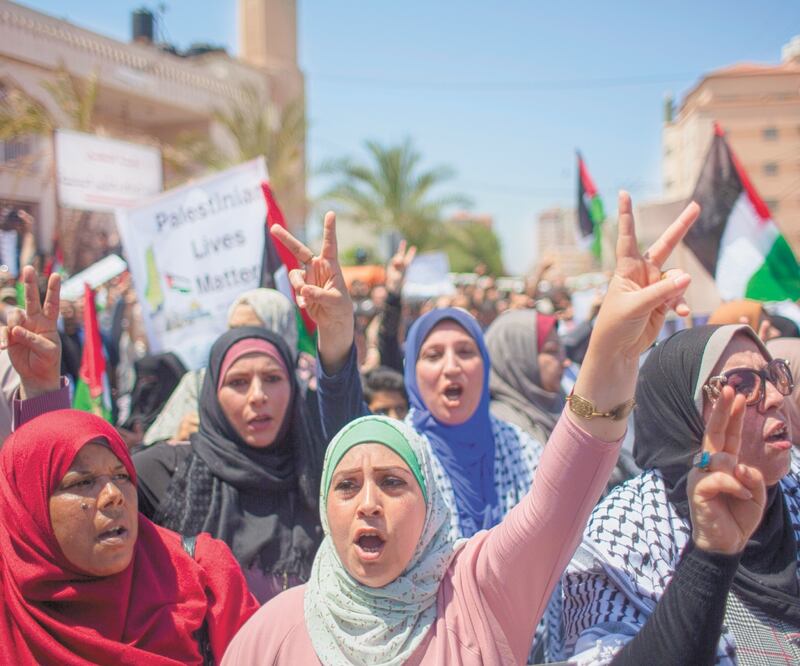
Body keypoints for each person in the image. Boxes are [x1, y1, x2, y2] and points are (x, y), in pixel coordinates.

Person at [223, 192, 702, 665]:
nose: (368, 503)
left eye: (392, 483)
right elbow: (353, 433)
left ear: (431, 504)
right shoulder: (273, 634)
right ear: (325, 507)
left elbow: (561, 497)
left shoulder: (476, 597)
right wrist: (338, 336)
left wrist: (610, 353)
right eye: (347, 486)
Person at [561, 324, 799, 664]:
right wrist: (709, 556)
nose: (775, 397)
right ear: (681, 414)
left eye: (774, 375)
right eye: (742, 385)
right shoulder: (626, 532)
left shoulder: (795, 485)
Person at [0, 409, 259, 665]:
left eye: (122, 476)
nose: (114, 495)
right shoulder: (9, 605)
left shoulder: (206, 575)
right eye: (82, 482)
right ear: (29, 509)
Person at [133, 327, 325, 603]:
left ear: (293, 387)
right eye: (238, 382)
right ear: (212, 393)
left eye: (272, 378)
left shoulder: (320, 477)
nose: (258, 395)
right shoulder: (165, 473)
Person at [144, 287, 299, 445]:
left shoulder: (311, 383)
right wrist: (179, 439)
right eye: (233, 329)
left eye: (272, 379)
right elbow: (150, 453)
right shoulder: (199, 384)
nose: (239, 338)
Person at [484, 309, 566, 442]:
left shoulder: (558, 402)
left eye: (562, 350)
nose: (565, 361)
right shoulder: (504, 428)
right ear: (517, 359)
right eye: (552, 351)